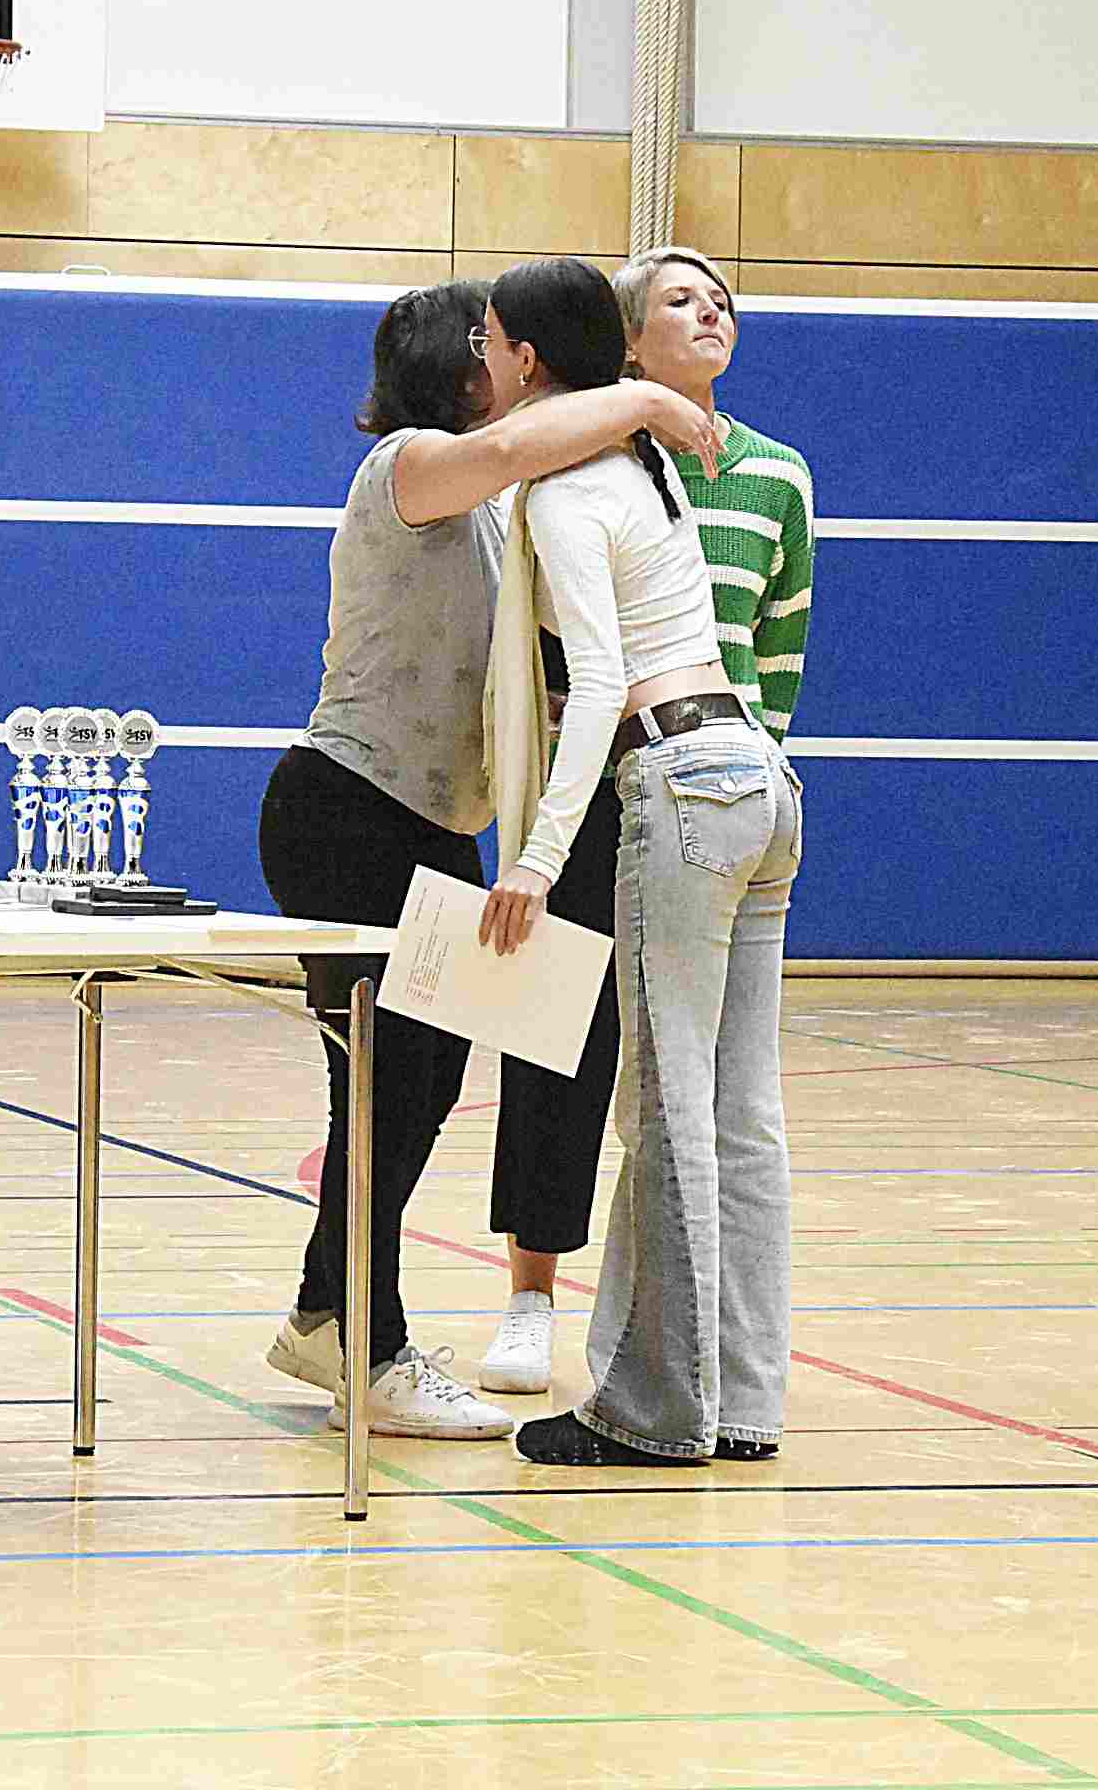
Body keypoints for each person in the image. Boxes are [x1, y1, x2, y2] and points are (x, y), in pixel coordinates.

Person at [261, 278, 722, 1437]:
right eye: (489, 343)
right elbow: (518, 442)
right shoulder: (410, 466)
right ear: (455, 364)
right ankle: (365, 1341)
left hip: (430, 826)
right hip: (345, 810)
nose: (508, 361)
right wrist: (645, 400)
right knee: (383, 1084)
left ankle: (327, 1312)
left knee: (420, 1085)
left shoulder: (498, 505)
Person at [479, 256, 806, 1466]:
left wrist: (535, 854)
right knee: (741, 1112)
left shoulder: (566, 493)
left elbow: (602, 679)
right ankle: (743, 1402)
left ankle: (654, 1409)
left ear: (528, 360)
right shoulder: (645, 463)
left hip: (673, 776)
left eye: (492, 340)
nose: (482, 359)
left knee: (667, 1113)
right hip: (757, 777)